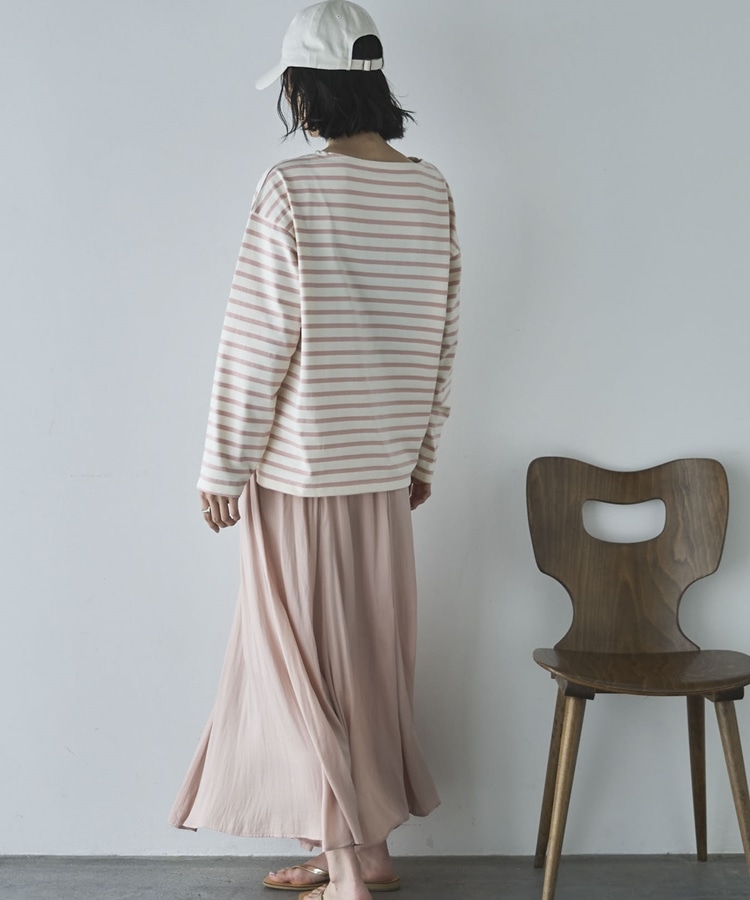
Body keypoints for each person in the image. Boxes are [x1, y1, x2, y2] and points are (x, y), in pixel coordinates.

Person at [168, 3, 461, 899]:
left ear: (306, 88)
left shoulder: (293, 187)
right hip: (382, 472)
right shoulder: (432, 189)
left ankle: (343, 873)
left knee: (299, 667)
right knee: (367, 663)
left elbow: (257, 341)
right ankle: (368, 852)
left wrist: (223, 464)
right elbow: (443, 338)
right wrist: (421, 457)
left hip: (300, 473)